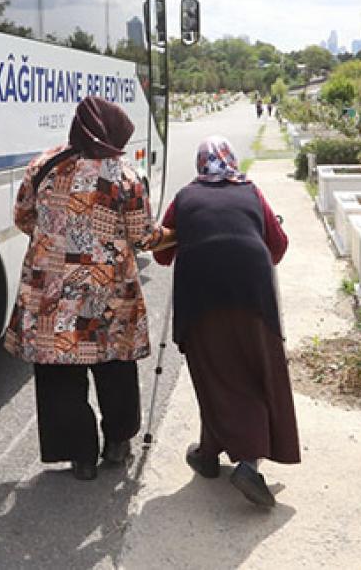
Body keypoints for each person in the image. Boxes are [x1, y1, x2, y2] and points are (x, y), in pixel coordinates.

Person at [6, 95, 163, 480]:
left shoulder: (44, 165)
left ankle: (80, 457)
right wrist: (178, 233)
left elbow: (23, 218)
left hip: (52, 293)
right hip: (107, 293)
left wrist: (56, 247)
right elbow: (142, 237)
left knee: (60, 373)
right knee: (114, 366)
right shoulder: (123, 176)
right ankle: (117, 443)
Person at [153, 135, 298, 507]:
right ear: (230, 160)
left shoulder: (185, 197)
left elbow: (161, 256)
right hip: (252, 293)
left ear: (201, 164)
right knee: (253, 369)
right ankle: (228, 458)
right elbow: (277, 245)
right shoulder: (250, 191)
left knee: (215, 373)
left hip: (199, 297)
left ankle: (227, 458)